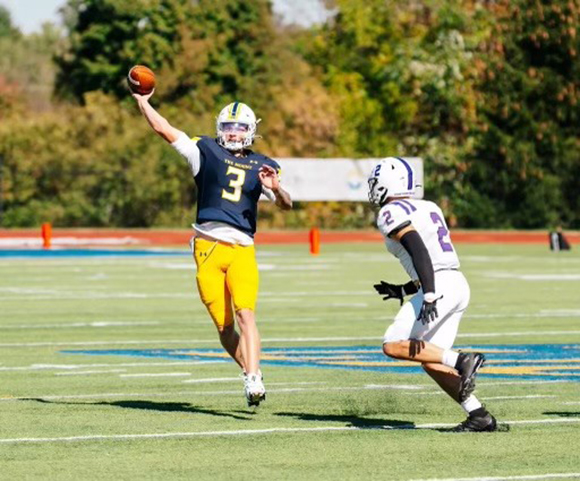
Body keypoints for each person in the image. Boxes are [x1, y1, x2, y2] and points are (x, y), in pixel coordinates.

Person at [132, 92, 292, 406]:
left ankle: (254, 377)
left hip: (242, 250)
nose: (233, 132)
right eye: (228, 126)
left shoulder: (264, 165)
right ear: (220, 127)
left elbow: (287, 205)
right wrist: (142, 102)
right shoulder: (204, 150)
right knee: (224, 327)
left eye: (240, 127)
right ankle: (249, 371)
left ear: (251, 130)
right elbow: (164, 129)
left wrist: (276, 188)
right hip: (207, 247)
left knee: (247, 314)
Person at [368, 157, 497, 432]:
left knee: (392, 344)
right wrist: (405, 289)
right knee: (430, 359)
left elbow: (418, 249)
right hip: (456, 283)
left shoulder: (389, 212)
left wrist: (428, 294)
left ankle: (463, 360)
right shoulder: (428, 206)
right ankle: (479, 415)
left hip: (438, 286)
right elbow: (432, 258)